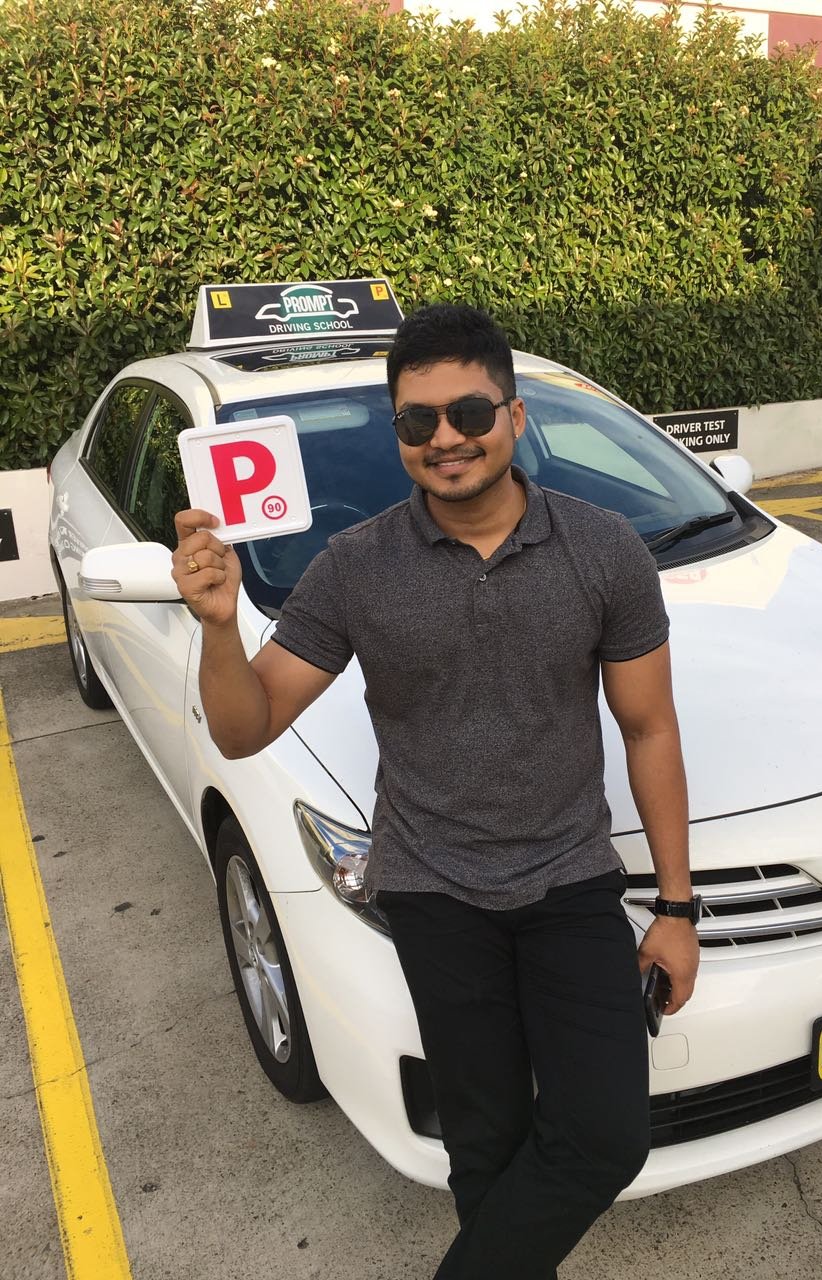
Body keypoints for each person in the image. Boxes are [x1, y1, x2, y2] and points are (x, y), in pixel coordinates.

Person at [171, 303, 699, 1279]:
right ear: (400, 432)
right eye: (419, 420)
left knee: (604, 1135)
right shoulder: (355, 566)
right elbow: (246, 726)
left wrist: (675, 908)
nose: (446, 437)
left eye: (469, 412)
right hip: (433, 889)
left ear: (515, 416)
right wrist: (216, 623)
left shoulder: (603, 548)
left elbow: (649, 729)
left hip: (570, 879)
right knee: (485, 1146)